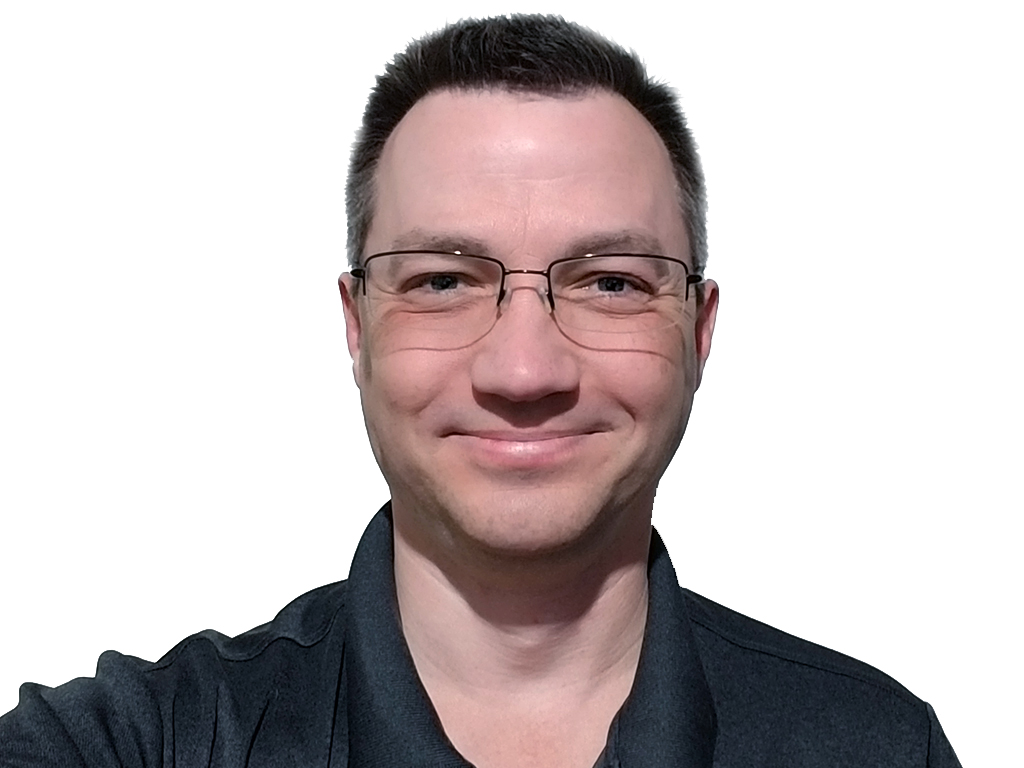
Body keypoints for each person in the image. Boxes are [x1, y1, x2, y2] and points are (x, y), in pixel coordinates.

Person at [0, 14, 961, 767]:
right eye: (441, 282)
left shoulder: (875, 747)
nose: (524, 372)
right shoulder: (142, 743)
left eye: (610, 283)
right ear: (356, 325)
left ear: (700, 331)